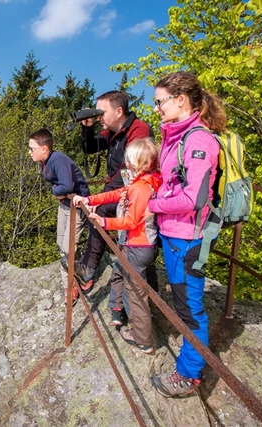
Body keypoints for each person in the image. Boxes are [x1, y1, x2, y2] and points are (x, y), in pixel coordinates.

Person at [147, 71, 225, 397]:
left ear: (181, 100)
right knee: (182, 301)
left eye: (159, 101)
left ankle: (189, 375)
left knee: (190, 309)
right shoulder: (174, 136)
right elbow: (172, 182)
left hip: (187, 237)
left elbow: (194, 198)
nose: (156, 109)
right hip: (174, 232)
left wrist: (152, 204)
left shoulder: (198, 140)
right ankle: (190, 359)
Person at [72, 90, 158, 326]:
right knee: (97, 209)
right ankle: (89, 267)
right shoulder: (114, 131)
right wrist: (88, 127)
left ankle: (88, 269)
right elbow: (90, 148)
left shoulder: (138, 130)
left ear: (119, 111)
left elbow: (136, 169)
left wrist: (101, 198)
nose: (100, 116)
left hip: (132, 193)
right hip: (122, 189)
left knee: (98, 211)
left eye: (102, 112)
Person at [73, 138, 161, 354]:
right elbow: (116, 194)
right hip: (133, 244)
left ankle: (143, 339)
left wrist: (104, 222)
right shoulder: (138, 183)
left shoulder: (142, 188)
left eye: (128, 160)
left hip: (138, 246)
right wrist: (90, 200)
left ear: (136, 163)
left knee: (135, 293)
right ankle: (116, 309)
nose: (126, 164)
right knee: (119, 272)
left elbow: (131, 221)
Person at [28, 128, 90, 304]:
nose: (29, 152)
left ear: (44, 148)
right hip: (65, 205)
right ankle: (76, 278)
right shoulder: (45, 161)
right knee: (61, 243)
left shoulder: (58, 160)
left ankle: (74, 284)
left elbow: (66, 186)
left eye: (32, 148)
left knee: (68, 249)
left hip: (77, 206)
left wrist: (55, 191)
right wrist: (57, 192)